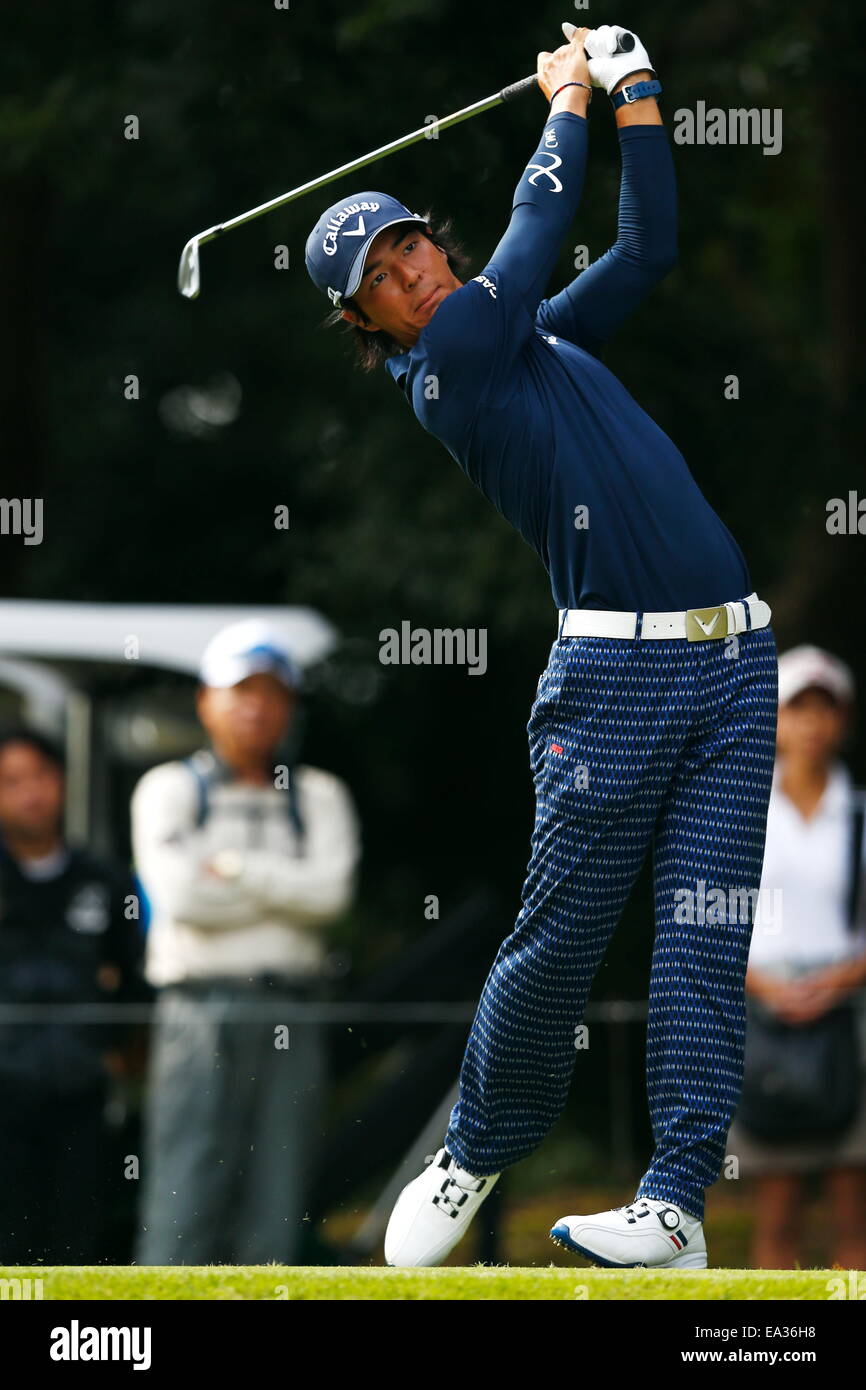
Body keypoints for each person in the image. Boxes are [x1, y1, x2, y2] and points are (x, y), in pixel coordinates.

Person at [305, 23, 778, 1271]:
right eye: (381, 279)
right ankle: (472, 1148)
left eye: (408, 244)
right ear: (371, 324)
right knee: (557, 941)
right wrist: (564, 105)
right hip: (611, 681)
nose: (409, 273)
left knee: (701, 930)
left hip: (734, 667)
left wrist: (636, 93)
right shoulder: (450, 371)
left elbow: (647, 246)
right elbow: (522, 250)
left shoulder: (541, 341)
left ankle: (674, 1200)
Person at [132, 619, 361, 1264]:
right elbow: (182, 900)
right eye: (241, 691)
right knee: (184, 1192)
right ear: (207, 701)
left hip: (294, 1006)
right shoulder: (167, 789)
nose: (257, 707)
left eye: (272, 693)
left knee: (280, 1203)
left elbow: (329, 899)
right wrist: (283, 888)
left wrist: (234, 869)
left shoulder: (320, 795)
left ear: (289, 706)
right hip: (196, 1011)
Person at [727, 646, 866, 1269]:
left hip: (851, 1019)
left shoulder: (859, 816)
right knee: (776, 1214)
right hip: (762, 1016)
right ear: (775, 720)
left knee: (853, 1212)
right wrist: (765, 986)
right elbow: (711, 916)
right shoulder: (740, 810)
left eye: (824, 711)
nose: (812, 725)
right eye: (797, 710)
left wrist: (835, 984)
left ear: (842, 722)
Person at [0, 727, 147, 1264]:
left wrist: (117, 1049)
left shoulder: (103, 878)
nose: (30, 793)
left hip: (81, 1091)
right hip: (4, 1094)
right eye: (12, 781)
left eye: (40, 776)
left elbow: (134, 978)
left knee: (76, 1243)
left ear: (61, 781)